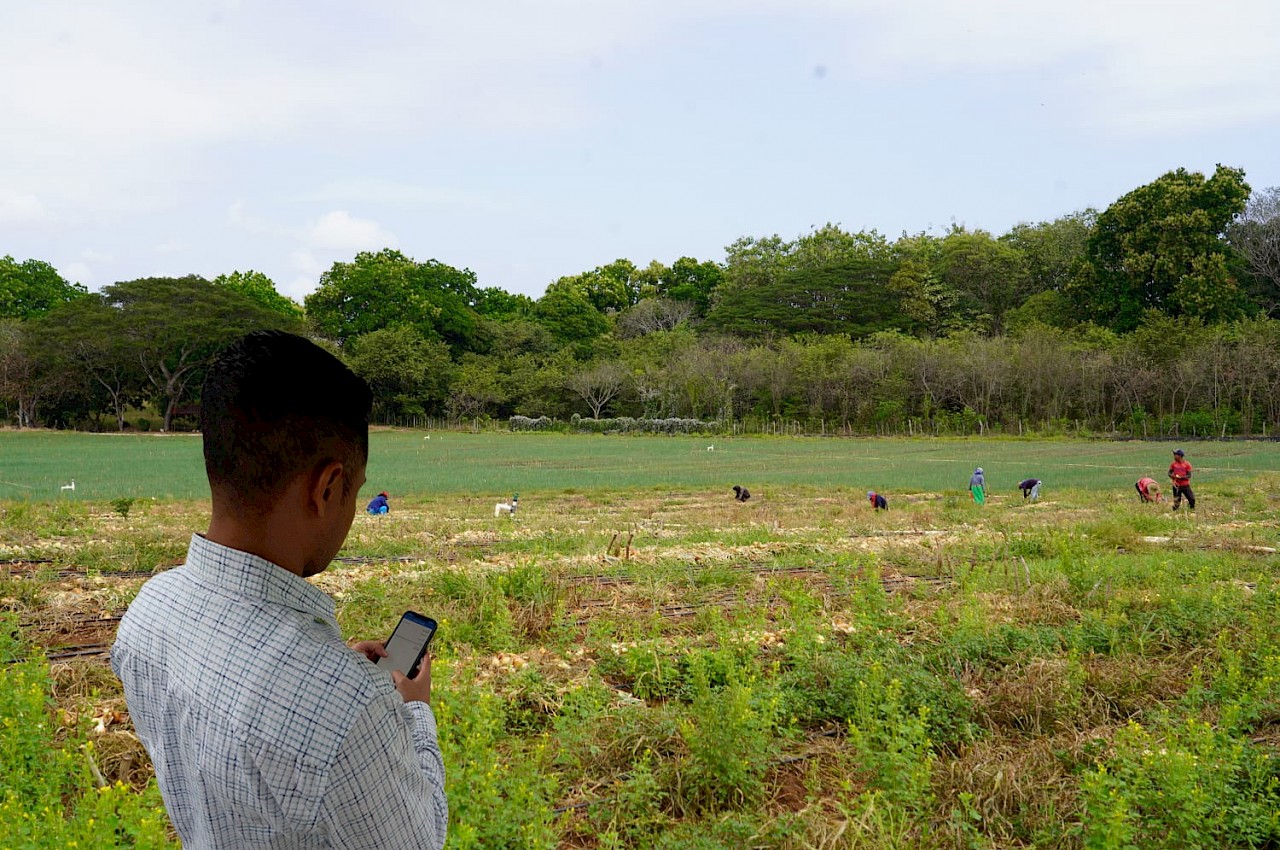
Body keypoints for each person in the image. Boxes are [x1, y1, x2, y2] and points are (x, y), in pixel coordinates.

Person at [111, 331, 447, 850]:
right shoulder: (348, 706)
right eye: (353, 492)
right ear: (327, 488)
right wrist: (412, 709)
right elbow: (420, 841)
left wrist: (327, 667)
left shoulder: (149, 610)